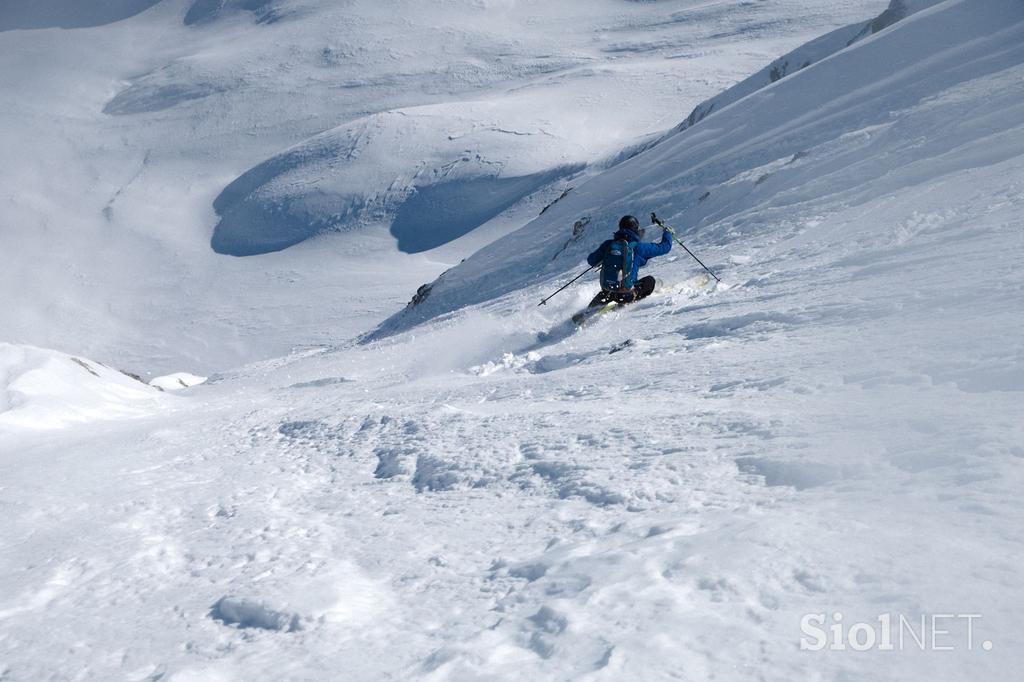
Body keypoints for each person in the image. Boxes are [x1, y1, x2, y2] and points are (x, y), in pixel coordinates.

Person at [586, 214, 672, 307]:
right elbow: (665, 247)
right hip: (626, 294)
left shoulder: (608, 245)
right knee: (650, 281)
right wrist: (668, 233)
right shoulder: (639, 247)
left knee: (608, 291)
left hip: (608, 291)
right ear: (635, 228)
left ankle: (594, 306)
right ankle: (630, 296)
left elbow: (591, 261)